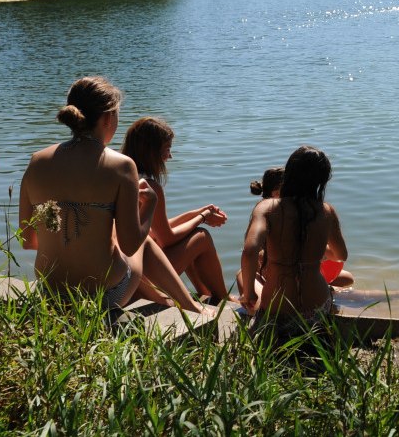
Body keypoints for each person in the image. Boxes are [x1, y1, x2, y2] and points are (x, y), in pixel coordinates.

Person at [18, 76, 212, 317]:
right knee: (145, 241)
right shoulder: (121, 165)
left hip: (50, 291)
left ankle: (174, 302)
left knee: (109, 236)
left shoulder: (37, 161)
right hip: (104, 295)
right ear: (108, 117)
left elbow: (28, 241)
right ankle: (191, 307)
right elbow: (131, 246)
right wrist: (149, 205)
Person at [238, 146, 347, 335]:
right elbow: (340, 255)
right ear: (322, 180)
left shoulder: (267, 208)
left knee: (242, 276)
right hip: (317, 310)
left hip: (277, 310)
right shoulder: (326, 211)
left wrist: (249, 293)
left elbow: (249, 250)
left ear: (289, 173)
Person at [121, 117, 230, 301]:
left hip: (125, 271)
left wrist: (196, 213)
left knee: (189, 234)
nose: (169, 156)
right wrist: (203, 217)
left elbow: (156, 229)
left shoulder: (125, 176)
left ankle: (205, 294)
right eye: (167, 149)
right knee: (201, 237)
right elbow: (167, 238)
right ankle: (223, 298)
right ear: (151, 152)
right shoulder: (149, 186)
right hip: (143, 276)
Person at [236, 166, 353, 297]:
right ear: (277, 193)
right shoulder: (277, 214)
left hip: (284, 279)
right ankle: (329, 291)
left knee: (347, 278)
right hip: (282, 278)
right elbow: (339, 255)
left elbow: (249, 252)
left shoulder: (263, 212)